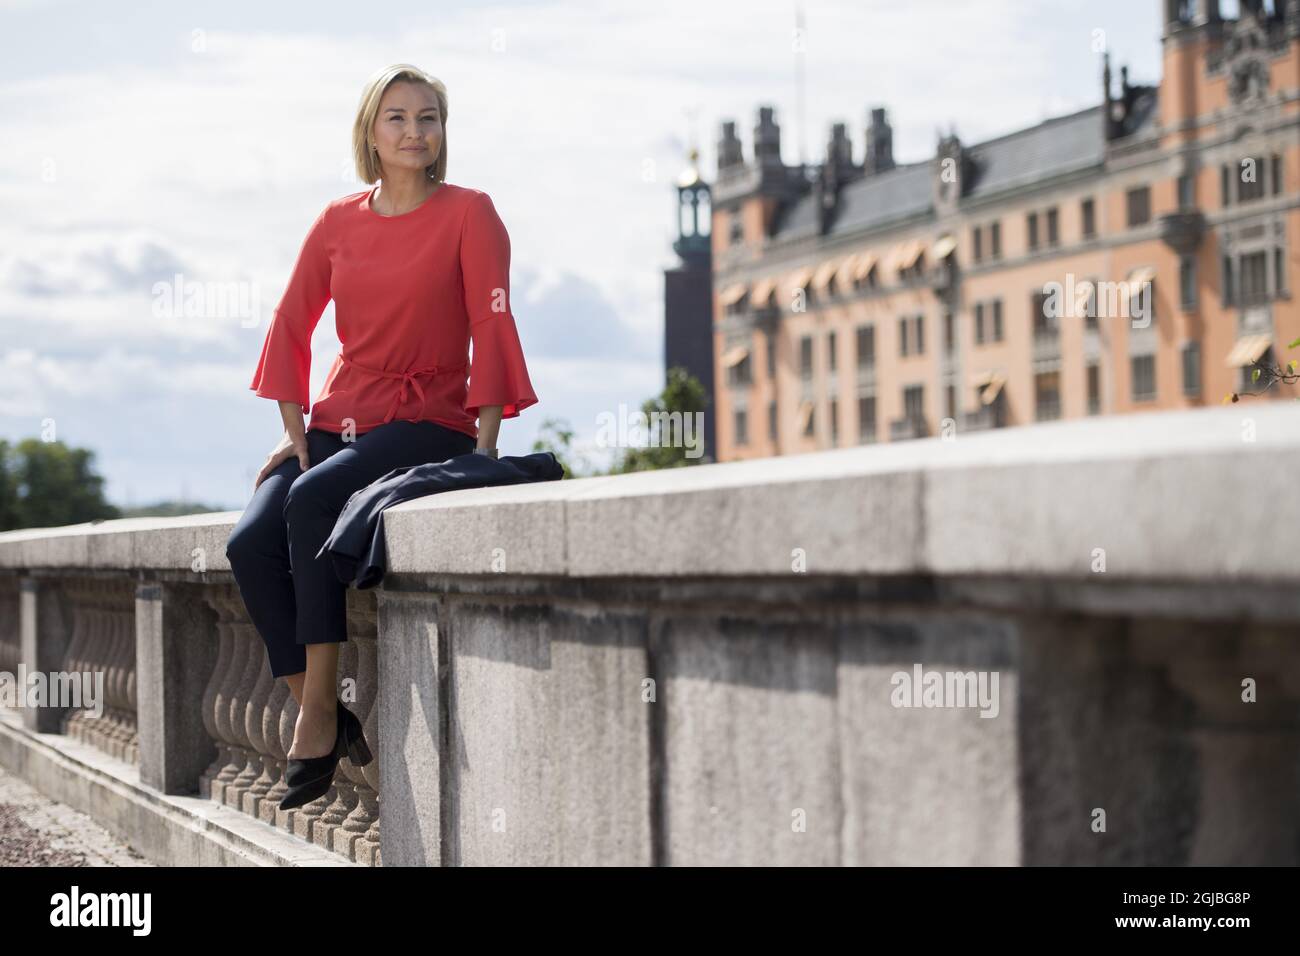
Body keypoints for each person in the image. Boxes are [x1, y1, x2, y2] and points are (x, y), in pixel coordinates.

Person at [224, 63, 538, 810]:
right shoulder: (337, 221)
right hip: (342, 414)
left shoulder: (470, 211)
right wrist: (296, 430)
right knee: (249, 540)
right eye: (397, 117)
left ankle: (314, 714)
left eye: (429, 117)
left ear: (442, 133)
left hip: (428, 416)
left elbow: (492, 322)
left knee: (312, 502)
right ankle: (325, 708)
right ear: (371, 129)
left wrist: (484, 448)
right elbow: (291, 320)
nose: (414, 131)